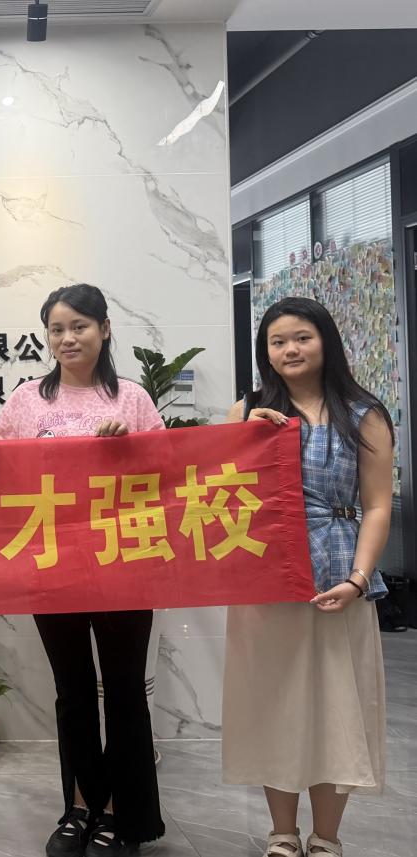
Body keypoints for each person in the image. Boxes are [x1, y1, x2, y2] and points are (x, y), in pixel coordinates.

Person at [0, 284, 165, 857]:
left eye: (79, 326)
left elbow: (168, 475)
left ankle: (120, 815)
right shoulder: (27, 400)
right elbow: (1, 478)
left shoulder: (133, 400)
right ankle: (80, 807)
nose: (67, 338)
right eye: (57, 329)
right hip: (51, 565)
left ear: (105, 329)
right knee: (72, 691)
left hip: (124, 564)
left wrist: (130, 449)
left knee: (124, 691)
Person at [222, 297, 391, 857]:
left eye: (302, 337)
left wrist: (359, 578)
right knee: (275, 704)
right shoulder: (247, 410)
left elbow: (377, 505)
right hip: (266, 575)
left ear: (325, 341)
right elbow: (221, 495)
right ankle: (282, 833)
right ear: (265, 352)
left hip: (339, 574)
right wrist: (242, 440)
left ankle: (326, 838)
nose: (290, 349)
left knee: (338, 708)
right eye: (277, 342)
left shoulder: (363, 412)